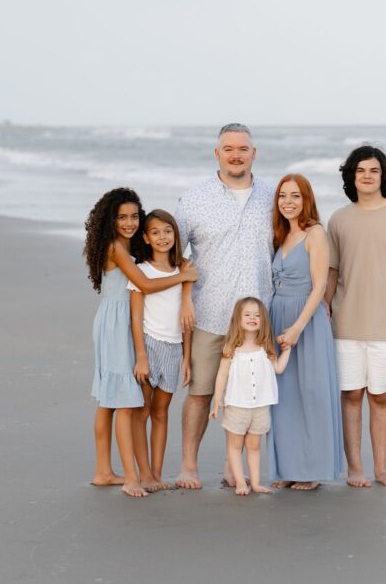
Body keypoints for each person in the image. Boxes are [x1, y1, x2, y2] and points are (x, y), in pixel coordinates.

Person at [173, 124, 275, 489]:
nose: (236, 154)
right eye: (228, 148)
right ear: (216, 154)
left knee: (251, 396)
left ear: (254, 153)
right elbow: (173, 257)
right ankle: (189, 465)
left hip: (257, 320)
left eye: (243, 148)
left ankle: (236, 468)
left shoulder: (272, 196)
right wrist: (185, 298)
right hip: (209, 313)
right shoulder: (193, 200)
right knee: (200, 392)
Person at [83, 188, 197, 498]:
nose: (130, 222)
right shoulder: (115, 247)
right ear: (110, 219)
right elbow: (145, 284)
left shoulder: (127, 246)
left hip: (117, 318)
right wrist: (184, 277)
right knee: (123, 400)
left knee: (108, 399)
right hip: (117, 321)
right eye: (122, 217)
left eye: (134, 216)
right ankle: (132, 477)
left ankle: (103, 471)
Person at [325, 145, 386, 488]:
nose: (367, 176)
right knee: (351, 395)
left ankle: (381, 469)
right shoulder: (338, 219)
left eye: (374, 170)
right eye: (360, 170)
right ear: (351, 176)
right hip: (345, 324)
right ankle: (356, 468)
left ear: (384, 175)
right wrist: (324, 309)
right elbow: (332, 272)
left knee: (380, 396)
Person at [266, 174, 344, 490]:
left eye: (295, 196)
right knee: (282, 395)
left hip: (306, 320)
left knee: (311, 392)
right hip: (276, 316)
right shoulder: (280, 234)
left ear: (306, 199)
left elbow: (320, 285)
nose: (288, 201)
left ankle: (312, 469)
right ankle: (287, 467)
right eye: (283, 196)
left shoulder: (315, 233)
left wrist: (298, 326)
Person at [127, 210, 193, 493]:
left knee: (162, 412)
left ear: (175, 235)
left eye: (168, 231)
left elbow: (187, 321)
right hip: (150, 345)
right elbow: (136, 318)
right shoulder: (142, 271)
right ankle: (143, 473)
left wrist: (187, 358)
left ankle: (157, 472)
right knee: (141, 412)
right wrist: (141, 356)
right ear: (146, 237)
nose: (162, 237)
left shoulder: (183, 269)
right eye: (155, 232)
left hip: (174, 348)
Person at [210, 297, 292, 495]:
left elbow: (279, 368)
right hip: (237, 405)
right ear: (238, 319)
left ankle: (255, 483)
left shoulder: (266, 348)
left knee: (254, 445)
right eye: (247, 314)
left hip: (260, 406)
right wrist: (217, 400)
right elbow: (222, 375)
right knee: (235, 445)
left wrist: (287, 350)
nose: (253, 318)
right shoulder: (232, 348)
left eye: (257, 315)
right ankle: (240, 482)